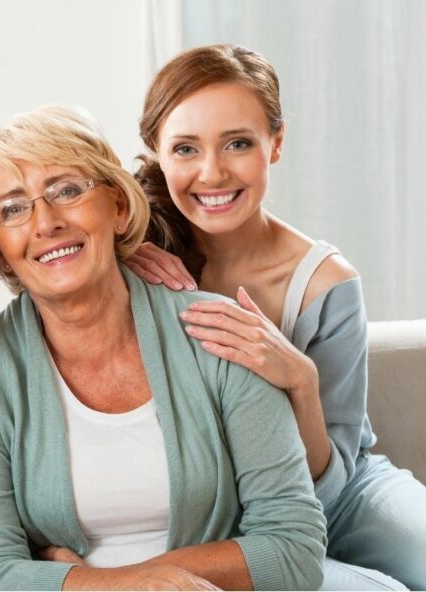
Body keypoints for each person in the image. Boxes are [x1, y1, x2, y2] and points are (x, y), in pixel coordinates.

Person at [0, 105, 327, 591]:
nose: (45, 223)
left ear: (119, 207)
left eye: (67, 191)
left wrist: (104, 581)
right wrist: (131, 587)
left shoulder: (219, 333)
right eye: (14, 208)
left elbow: (294, 549)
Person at [128, 43, 426, 590]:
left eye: (237, 143)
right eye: (186, 148)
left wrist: (301, 382)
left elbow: (331, 481)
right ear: (158, 152)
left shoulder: (325, 283)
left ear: (277, 142)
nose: (212, 173)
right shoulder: (134, 261)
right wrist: (120, 253)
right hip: (231, 518)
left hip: (340, 493)